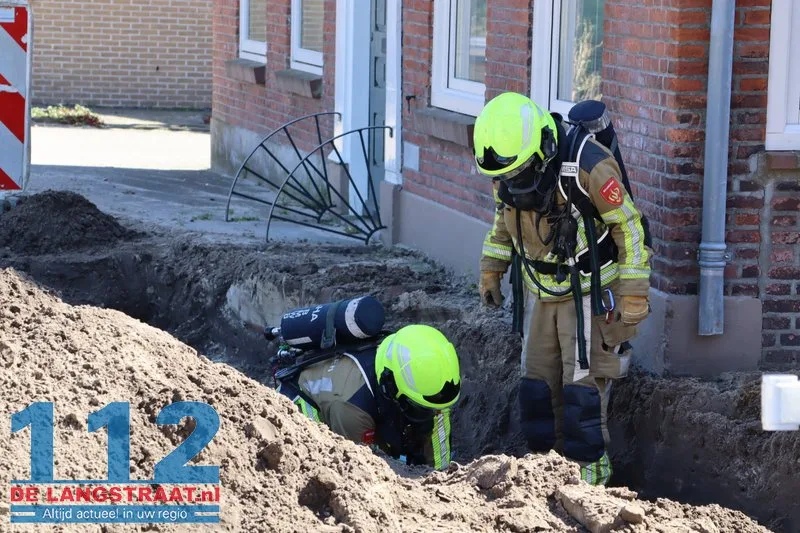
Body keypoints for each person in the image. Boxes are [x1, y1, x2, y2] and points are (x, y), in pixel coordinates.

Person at [473, 92, 652, 485]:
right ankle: (544, 478)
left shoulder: (589, 166)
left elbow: (629, 226)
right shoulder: (508, 170)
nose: (511, 184)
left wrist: (634, 291)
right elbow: (504, 222)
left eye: (518, 175)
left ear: (544, 148)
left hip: (588, 293)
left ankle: (591, 481)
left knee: (582, 398)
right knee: (535, 392)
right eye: (505, 178)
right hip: (540, 292)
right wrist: (492, 268)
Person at [276, 324, 461, 470]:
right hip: (304, 408)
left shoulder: (399, 358)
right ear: (390, 387)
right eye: (419, 406)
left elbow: (439, 415)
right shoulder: (352, 409)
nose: (435, 411)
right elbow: (363, 469)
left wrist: (441, 475)